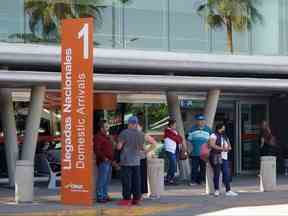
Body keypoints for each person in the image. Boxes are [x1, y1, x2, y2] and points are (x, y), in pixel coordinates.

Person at [117, 116, 145, 206]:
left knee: (127, 181)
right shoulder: (141, 134)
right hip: (136, 160)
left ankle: (127, 200)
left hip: (126, 160)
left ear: (129, 123)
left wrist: (114, 143)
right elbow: (142, 148)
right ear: (136, 124)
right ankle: (137, 199)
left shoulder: (124, 133)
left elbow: (119, 147)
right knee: (136, 181)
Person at [209, 123, 238, 197]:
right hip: (216, 156)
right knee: (217, 173)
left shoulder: (225, 137)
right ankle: (216, 190)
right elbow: (212, 145)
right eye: (223, 128)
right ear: (219, 128)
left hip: (224, 157)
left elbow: (230, 147)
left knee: (226, 173)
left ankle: (228, 190)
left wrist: (227, 148)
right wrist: (222, 148)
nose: (224, 129)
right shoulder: (213, 135)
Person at [187, 114, 212, 186]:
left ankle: (202, 181)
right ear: (196, 121)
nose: (200, 122)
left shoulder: (208, 130)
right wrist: (188, 151)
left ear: (204, 121)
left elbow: (211, 141)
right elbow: (188, 141)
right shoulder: (192, 129)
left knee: (203, 168)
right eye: (199, 120)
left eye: (202, 120)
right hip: (194, 153)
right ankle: (193, 181)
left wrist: (210, 151)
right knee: (194, 168)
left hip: (204, 153)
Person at [94, 120, 114, 203]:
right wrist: (104, 158)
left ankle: (105, 195)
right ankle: (100, 196)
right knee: (102, 180)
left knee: (106, 180)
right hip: (103, 161)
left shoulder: (107, 136)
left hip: (109, 161)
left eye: (108, 126)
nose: (108, 128)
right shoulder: (98, 137)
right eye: (106, 126)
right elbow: (96, 150)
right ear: (101, 128)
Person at [137, 123, 157, 197]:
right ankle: (137, 193)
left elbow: (154, 143)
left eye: (137, 126)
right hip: (133, 158)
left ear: (141, 127)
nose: (136, 128)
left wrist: (146, 151)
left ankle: (141, 193)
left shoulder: (143, 135)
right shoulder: (132, 135)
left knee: (141, 175)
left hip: (141, 157)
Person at [163, 119, 183, 185]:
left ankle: (169, 179)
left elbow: (180, 138)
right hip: (169, 150)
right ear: (171, 125)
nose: (175, 126)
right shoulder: (167, 131)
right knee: (173, 165)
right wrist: (178, 138)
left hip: (174, 150)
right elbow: (177, 138)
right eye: (175, 125)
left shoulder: (175, 132)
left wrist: (178, 138)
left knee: (172, 165)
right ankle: (169, 178)